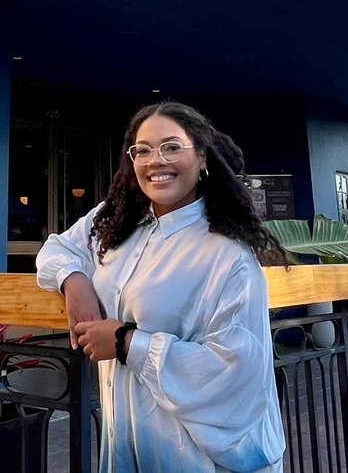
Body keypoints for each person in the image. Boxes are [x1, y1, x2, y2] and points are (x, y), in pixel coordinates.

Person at [36, 102, 287, 473]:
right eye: (143, 150)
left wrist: (125, 342)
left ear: (202, 157)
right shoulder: (118, 224)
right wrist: (74, 281)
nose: (156, 161)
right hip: (125, 440)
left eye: (172, 147)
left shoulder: (226, 255)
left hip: (197, 456)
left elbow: (236, 369)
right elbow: (58, 247)